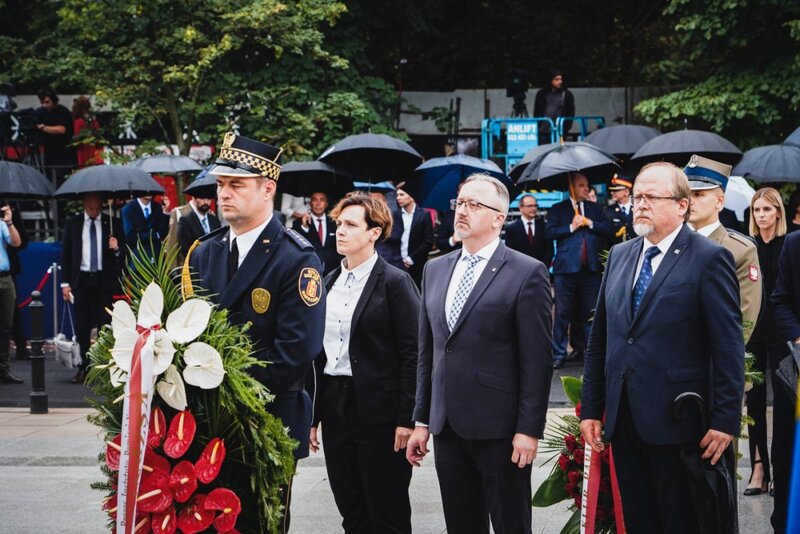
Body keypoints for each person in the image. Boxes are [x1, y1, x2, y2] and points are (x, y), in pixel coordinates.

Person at [580, 162, 744, 533]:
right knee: (640, 521)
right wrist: (592, 408)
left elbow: (728, 345)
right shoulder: (622, 255)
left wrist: (725, 420)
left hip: (681, 421)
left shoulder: (708, 258)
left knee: (681, 522)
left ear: (682, 205)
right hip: (625, 422)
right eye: (638, 197)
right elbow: (601, 340)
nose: (640, 204)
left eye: (651, 197)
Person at [184, 132, 325, 533]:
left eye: (236, 185)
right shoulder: (204, 251)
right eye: (221, 185)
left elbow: (297, 351)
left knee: (258, 525)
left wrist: (224, 387)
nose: (223, 194)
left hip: (266, 419)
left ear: (268, 189)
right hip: (205, 421)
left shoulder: (296, 258)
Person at [406, 175, 553, 534]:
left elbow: (537, 361)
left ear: (499, 217)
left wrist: (529, 429)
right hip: (447, 425)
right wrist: (421, 420)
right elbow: (429, 352)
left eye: (475, 205)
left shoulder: (526, 272)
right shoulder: (436, 269)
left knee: (510, 523)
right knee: (461, 523)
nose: (463, 211)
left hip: (500, 429)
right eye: (460, 203)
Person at [308, 192, 419, 533]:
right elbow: (318, 355)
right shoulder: (328, 282)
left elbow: (413, 354)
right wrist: (313, 417)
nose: (340, 230)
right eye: (339, 223)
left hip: (381, 412)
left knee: (387, 510)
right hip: (336, 405)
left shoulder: (395, 283)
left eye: (351, 224)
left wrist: (407, 419)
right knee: (351, 508)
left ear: (374, 232)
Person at [685, 154, 761, 340]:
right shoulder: (671, 243)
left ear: (719, 201)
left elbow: (745, 319)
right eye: (687, 194)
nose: (690, 201)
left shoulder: (740, 250)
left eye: (699, 194)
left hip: (712, 359)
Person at [545, 173, 613, 368]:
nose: (586, 189)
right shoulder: (558, 210)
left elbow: (608, 230)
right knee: (563, 313)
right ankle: (559, 353)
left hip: (590, 270)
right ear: (571, 188)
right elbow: (549, 233)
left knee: (590, 313)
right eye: (581, 186)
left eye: (586, 185)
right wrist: (570, 226)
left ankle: (589, 353)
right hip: (566, 271)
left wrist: (589, 223)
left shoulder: (596, 208)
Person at [744, 188, 786, 501]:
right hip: (753, 330)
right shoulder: (748, 246)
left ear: (778, 213)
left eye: (767, 210)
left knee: (784, 399)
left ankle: (782, 469)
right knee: (754, 400)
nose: (761, 215)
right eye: (757, 210)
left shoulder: (791, 243)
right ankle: (759, 466)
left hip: (783, 330)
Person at [60, 193, 124, 383]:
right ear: (85, 205)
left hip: (104, 281)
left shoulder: (112, 223)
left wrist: (117, 247)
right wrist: (65, 283)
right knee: (82, 326)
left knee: (104, 325)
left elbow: (124, 252)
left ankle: (103, 367)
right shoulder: (73, 224)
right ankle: (83, 367)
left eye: (97, 208)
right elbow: (66, 254)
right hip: (82, 281)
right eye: (91, 208)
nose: (94, 212)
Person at [769, 225, 800, 533]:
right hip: (798, 370)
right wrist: (798, 337)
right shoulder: (794, 244)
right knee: (787, 450)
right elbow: (780, 300)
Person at [291, 191, 341, 275]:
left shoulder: (335, 223)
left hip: (332, 271)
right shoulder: (299, 223)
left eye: (321, 200)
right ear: (310, 203)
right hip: (308, 270)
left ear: (326, 204)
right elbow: (295, 246)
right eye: (315, 200)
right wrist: (304, 227)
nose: (318, 203)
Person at [0, 204, 23, 384]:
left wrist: (8, 222)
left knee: (6, 325)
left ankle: (3, 368)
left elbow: (16, 242)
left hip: (5, 277)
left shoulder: (1, 224)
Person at [395, 186, 434, 287]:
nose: (398, 198)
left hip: (417, 264)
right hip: (396, 263)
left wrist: (410, 259)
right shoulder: (395, 215)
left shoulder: (424, 215)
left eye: (402, 194)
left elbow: (428, 241)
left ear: (411, 196)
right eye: (397, 195)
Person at [35, 88, 75, 181]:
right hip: (49, 151)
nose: (44, 105)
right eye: (42, 103)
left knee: (62, 177)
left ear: (54, 100)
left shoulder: (63, 111)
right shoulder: (42, 112)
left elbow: (62, 130)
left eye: (47, 102)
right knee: (49, 176)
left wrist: (43, 128)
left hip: (63, 152)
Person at [504, 193, 552, 265]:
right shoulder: (511, 229)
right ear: (521, 207)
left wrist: (542, 267)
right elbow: (510, 253)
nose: (533, 208)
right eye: (530, 206)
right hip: (520, 270)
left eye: (535, 205)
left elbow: (550, 250)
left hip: (540, 270)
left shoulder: (544, 226)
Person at [121, 195, 169, 262]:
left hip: (157, 257)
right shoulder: (128, 209)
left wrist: (165, 212)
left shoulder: (158, 207)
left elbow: (163, 233)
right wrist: (155, 235)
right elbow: (130, 236)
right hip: (138, 259)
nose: (148, 192)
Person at [533, 69, 575, 140]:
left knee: (560, 149)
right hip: (543, 131)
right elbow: (537, 110)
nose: (560, 81)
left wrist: (566, 128)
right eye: (557, 79)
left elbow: (570, 112)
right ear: (550, 80)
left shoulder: (566, 94)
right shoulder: (542, 94)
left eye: (561, 79)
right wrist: (538, 125)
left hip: (560, 132)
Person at [72, 96, 103, 168]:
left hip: (83, 150)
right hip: (94, 151)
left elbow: (77, 140)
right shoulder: (94, 121)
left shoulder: (78, 122)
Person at [605, 175, 634, 245]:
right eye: (612, 190)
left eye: (616, 190)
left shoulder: (637, 208)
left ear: (626, 192)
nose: (612, 192)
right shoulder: (608, 211)